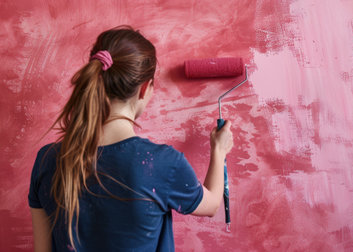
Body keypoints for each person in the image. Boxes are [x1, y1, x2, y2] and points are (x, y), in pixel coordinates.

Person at [28, 25, 234, 252]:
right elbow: (212, 204)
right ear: (145, 89)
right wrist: (218, 150)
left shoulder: (46, 160)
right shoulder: (162, 163)